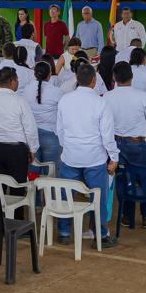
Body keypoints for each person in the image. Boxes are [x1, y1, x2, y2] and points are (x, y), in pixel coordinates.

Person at [55, 63, 119, 246]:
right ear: (94, 81)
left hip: (70, 156)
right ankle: (101, 234)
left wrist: (68, 146)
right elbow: (107, 136)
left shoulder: (65, 100)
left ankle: (64, 232)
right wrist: (113, 157)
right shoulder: (100, 102)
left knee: (66, 195)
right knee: (98, 196)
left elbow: (59, 130)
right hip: (94, 158)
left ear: (77, 79)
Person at [105, 62, 146, 225]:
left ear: (114, 78)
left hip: (115, 144)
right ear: (132, 77)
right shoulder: (142, 96)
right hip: (137, 144)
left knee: (122, 181)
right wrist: (140, 134)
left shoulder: (107, 97)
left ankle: (126, 216)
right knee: (144, 179)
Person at [0, 67, 39, 184]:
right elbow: (30, 129)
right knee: (18, 186)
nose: (18, 83)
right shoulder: (20, 102)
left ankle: (0, 203)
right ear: (12, 81)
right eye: (17, 80)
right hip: (16, 151)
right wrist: (33, 149)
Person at [27, 61, 63, 172]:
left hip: (31, 135)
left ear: (34, 74)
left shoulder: (27, 89)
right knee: (51, 175)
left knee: (34, 174)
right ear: (49, 75)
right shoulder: (57, 91)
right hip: (51, 135)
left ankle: (35, 190)